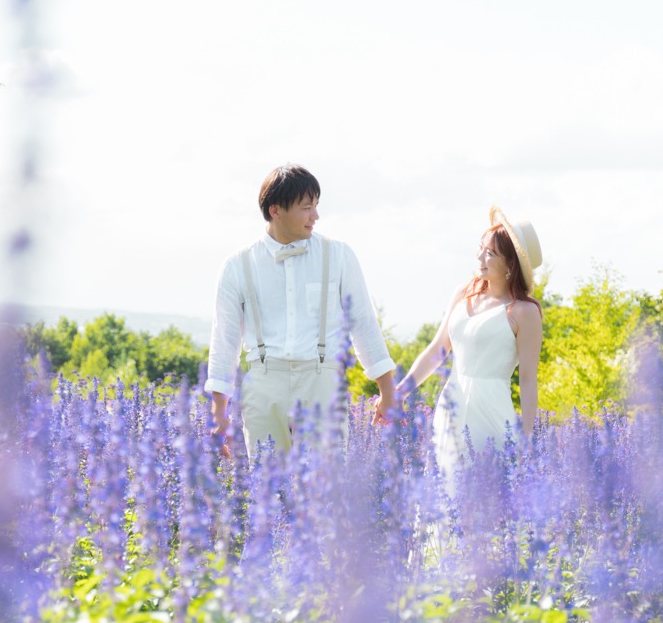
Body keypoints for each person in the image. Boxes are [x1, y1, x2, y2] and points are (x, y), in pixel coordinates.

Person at [206, 164, 396, 458]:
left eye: (316, 206)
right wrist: (219, 412)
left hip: (322, 380)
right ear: (275, 210)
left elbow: (363, 324)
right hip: (264, 382)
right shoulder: (237, 265)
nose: (315, 216)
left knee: (326, 491)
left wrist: (388, 393)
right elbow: (224, 341)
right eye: (307, 208)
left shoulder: (339, 254)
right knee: (268, 490)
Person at [399, 206, 543, 479]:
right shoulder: (464, 293)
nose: (480, 257)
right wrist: (399, 393)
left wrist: (525, 439)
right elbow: (437, 350)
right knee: (444, 494)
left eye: (490, 253)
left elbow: (527, 380)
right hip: (451, 406)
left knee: (485, 499)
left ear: (510, 264)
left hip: (490, 412)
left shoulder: (524, 312)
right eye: (481, 249)